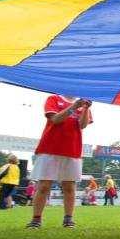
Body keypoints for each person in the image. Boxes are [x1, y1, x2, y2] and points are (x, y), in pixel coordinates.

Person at [26, 95, 92, 229]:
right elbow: (55, 119)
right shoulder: (54, 99)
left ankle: (68, 219)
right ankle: (36, 219)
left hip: (72, 149)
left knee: (69, 187)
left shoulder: (83, 102)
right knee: (44, 185)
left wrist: (85, 109)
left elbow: (82, 125)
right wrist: (74, 106)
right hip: (50, 148)